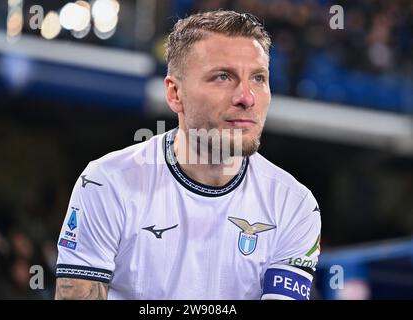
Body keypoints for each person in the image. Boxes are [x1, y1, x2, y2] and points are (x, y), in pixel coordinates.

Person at [55, 10, 321, 300]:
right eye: (223, 76)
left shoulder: (294, 205)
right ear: (174, 93)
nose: (247, 97)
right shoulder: (106, 183)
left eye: (258, 78)